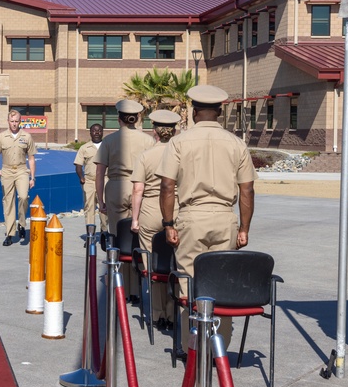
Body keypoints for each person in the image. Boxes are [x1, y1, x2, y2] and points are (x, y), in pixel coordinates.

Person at [157, 84, 256, 348]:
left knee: (188, 281)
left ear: (194, 110)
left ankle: (191, 347)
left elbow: (167, 186)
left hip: (191, 217)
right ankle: (218, 346)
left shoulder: (179, 142)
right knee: (221, 280)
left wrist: (168, 224)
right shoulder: (237, 144)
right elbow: (247, 189)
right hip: (226, 218)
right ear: (220, 112)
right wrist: (244, 227)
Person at [94, 98, 152, 299]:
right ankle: (136, 288)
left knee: (118, 237)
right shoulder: (148, 140)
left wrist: (100, 200)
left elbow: (100, 172)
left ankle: (122, 288)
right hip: (140, 185)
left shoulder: (109, 141)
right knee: (137, 238)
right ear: (136, 119)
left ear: (118, 119)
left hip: (116, 186)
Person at [130, 110, 180, 330]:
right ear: (175, 130)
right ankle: (172, 312)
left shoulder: (146, 155)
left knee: (153, 263)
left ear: (155, 131)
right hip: (176, 208)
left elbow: (137, 189)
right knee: (175, 262)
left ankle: (158, 312)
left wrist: (134, 218)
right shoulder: (182, 153)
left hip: (151, 208)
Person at [0, 109, 37, 246]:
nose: (14, 124)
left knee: (23, 197)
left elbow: (32, 158)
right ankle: (10, 234)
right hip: (7, 171)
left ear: (20, 121)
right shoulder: (1, 137)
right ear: (8, 122)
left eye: (17, 121)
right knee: (8, 202)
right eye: (12, 121)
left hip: (22, 170)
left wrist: (32, 177)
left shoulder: (27, 137)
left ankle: (22, 223)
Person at [74, 123, 106, 235]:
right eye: (94, 130)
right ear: (90, 133)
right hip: (89, 181)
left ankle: (104, 232)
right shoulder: (84, 148)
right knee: (89, 208)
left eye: (99, 130)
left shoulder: (108, 146)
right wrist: (81, 177)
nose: (97, 133)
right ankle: (90, 234)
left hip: (105, 181)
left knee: (104, 207)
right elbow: (78, 165)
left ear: (102, 132)